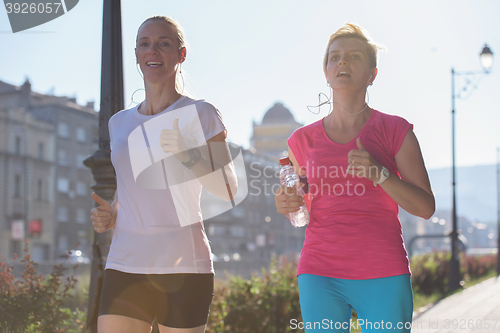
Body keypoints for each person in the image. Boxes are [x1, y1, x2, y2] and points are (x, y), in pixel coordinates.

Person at [275, 22, 435, 332]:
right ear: (326, 72)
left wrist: (380, 174)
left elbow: (425, 207)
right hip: (319, 271)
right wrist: (288, 204)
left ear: (372, 75)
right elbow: (302, 209)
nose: (342, 62)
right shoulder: (301, 141)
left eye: (354, 57)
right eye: (334, 57)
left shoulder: (395, 131)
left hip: (383, 269)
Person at [90, 16, 237, 333]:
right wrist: (112, 214)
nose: (152, 50)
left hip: (184, 267)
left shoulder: (201, 113)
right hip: (125, 264)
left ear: (181, 55)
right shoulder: (119, 123)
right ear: (137, 54)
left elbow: (228, 188)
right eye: (145, 43)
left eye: (163, 43)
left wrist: (189, 154)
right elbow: (130, 188)